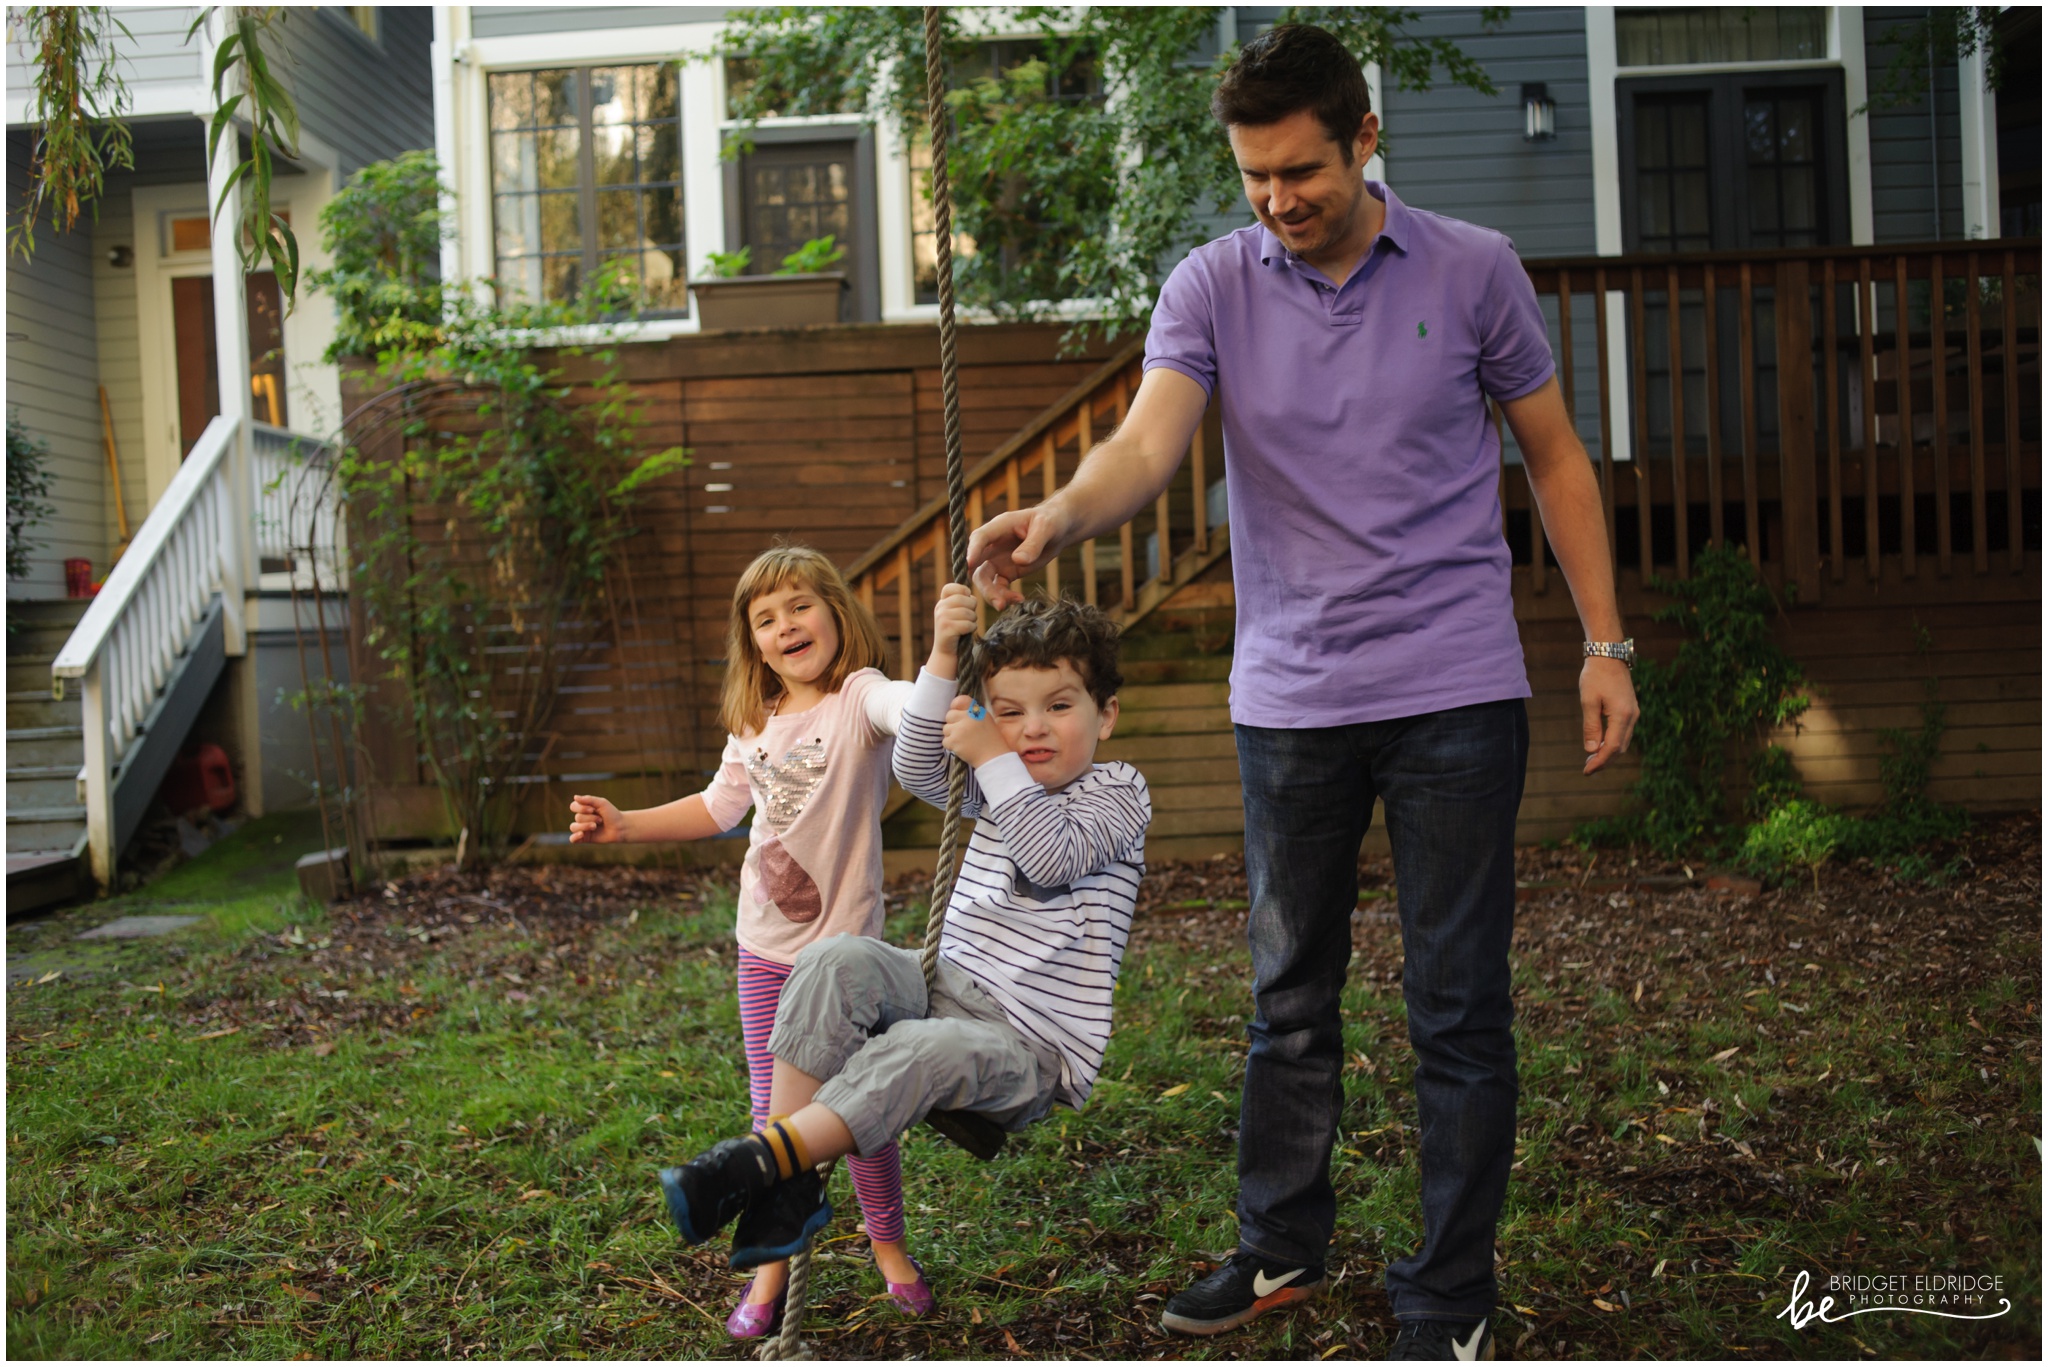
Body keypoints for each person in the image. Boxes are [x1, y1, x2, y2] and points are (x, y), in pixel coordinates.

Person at [967, 23, 1640, 1362]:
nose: (1279, 200)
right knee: (1288, 996)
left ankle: (1448, 1294)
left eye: (1301, 172)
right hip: (1290, 697)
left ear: (1362, 137)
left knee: (1456, 1005)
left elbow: (1556, 457)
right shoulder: (1214, 284)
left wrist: (1605, 642)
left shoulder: (1475, 269)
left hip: (1455, 688)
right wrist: (1058, 513)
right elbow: (1151, 439)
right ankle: (1279, 1243)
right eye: (1256, 176)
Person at [654, 585, 1152, 1278]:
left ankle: (762, 1163)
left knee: (917, 1045)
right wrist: (944, 655)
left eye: (1059, 706)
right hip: (942, 987)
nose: (1032, 728)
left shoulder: (1118, 793)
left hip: (1030, 1048)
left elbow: (1051, 855)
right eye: (1010, 713)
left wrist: (992, 753)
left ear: (1107, 716)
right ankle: (791, 1186)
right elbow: (915, 765)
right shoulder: (995, 779)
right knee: (832, 961)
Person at [565, 543, 933, 1339]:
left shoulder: (859, 698)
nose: (786, 625)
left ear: (836, 611)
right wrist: (626, 824)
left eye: (800, 605)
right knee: (775, 1113)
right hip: (764, 949)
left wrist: (936, 691)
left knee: (865, 1109)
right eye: (765, 618)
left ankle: (889, 1243)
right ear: (751, 640)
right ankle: (771, 1268)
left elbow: (903, 706)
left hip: (844, 960)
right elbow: (718, 807)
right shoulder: (754, 719)